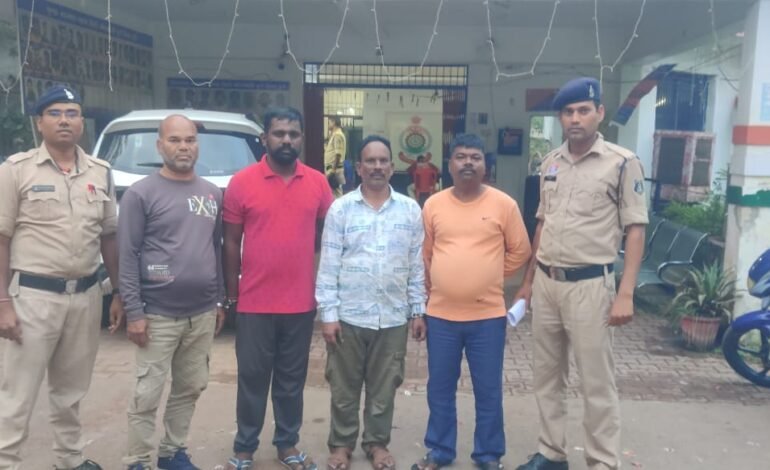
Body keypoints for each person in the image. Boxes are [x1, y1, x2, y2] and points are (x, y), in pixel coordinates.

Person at [514, 77, 648, 470]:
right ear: (560, 117)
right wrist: (527, 284)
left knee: (596, 381)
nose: (575, 119)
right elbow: (542, 223)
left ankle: (602, 461)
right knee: (546, 376)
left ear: (599, 113)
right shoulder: (550, 162)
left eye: (583, 111)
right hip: (547, 283)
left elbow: (635, 228)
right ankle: (551, 452)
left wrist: (626, 293)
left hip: (590, 285)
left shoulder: (622, 163)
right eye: (568, 112)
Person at [0, 86, 121, 470]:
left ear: (82, 122)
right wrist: (3, 303)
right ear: (40, 122)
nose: (64, 120)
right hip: (33, 297)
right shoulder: (16, 170)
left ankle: (69, 460)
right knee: (17, 392)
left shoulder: (100, 171)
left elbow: (109, 236)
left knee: (71, 390)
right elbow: (1, 239)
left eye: (72, 113)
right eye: (55, 113)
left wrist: (118, 292)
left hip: (85, 295)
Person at [222, 107, 334, 470]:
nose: (287, 140)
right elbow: (230, 242)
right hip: (254, 303)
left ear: (301, 138)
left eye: (293, 134)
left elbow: (327, 237)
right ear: (264, 138)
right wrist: (232, 296)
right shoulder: (242, 182)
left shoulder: (317, 183)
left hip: (300, 303)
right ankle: (244, 447)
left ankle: (287, 444)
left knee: (290, 381)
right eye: (279, 133)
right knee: (252, 379)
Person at [413, 133, 531, 470]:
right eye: (461, 156)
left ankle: (488, 454)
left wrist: (489, 274)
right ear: (449, 165)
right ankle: (440, 450)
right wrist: (424, 301)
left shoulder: (504, 204)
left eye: (475, 157)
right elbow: (425, 256)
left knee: (488, 390)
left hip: (487, 317)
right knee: (440, 388)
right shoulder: (433, 205)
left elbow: (521, 251)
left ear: (485, 165)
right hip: (441, 316)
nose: (468, 162)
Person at [118, 115, 226, 470]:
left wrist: (219, 299)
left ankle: (172, 452)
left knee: (190, 387)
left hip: (202, 313)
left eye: (190, 140)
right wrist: (134, 312)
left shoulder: (212, 193)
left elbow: (215, 248)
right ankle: (137, 460)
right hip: (157, 314)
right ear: (159, 145)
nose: (184, 147)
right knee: (147, 392)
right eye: (175, 140)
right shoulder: (140, 194)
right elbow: (128, 255)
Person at [316, 135, 427, 470]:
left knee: (385, 387)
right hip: (349, 316)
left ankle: (377, 443)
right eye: (370, 161)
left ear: (392, 167)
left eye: (383, 161)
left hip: (392, 317)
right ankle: (341, 444)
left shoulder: (410, 210)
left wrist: (417, 310)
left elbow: (416, 265)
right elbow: (329, 264)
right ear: (359, 167)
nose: (377, 166)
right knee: (343, 387)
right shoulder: (341, 209)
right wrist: (328, 314)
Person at [324, 116, 347, 197]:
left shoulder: (338, 135)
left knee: (336, 193)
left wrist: (332, 171)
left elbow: (338, 154)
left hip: (334, 169)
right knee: (332, 192)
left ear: (333, 122)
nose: (328, 125)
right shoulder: (334, 135)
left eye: (329, 122)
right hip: (332, 168)